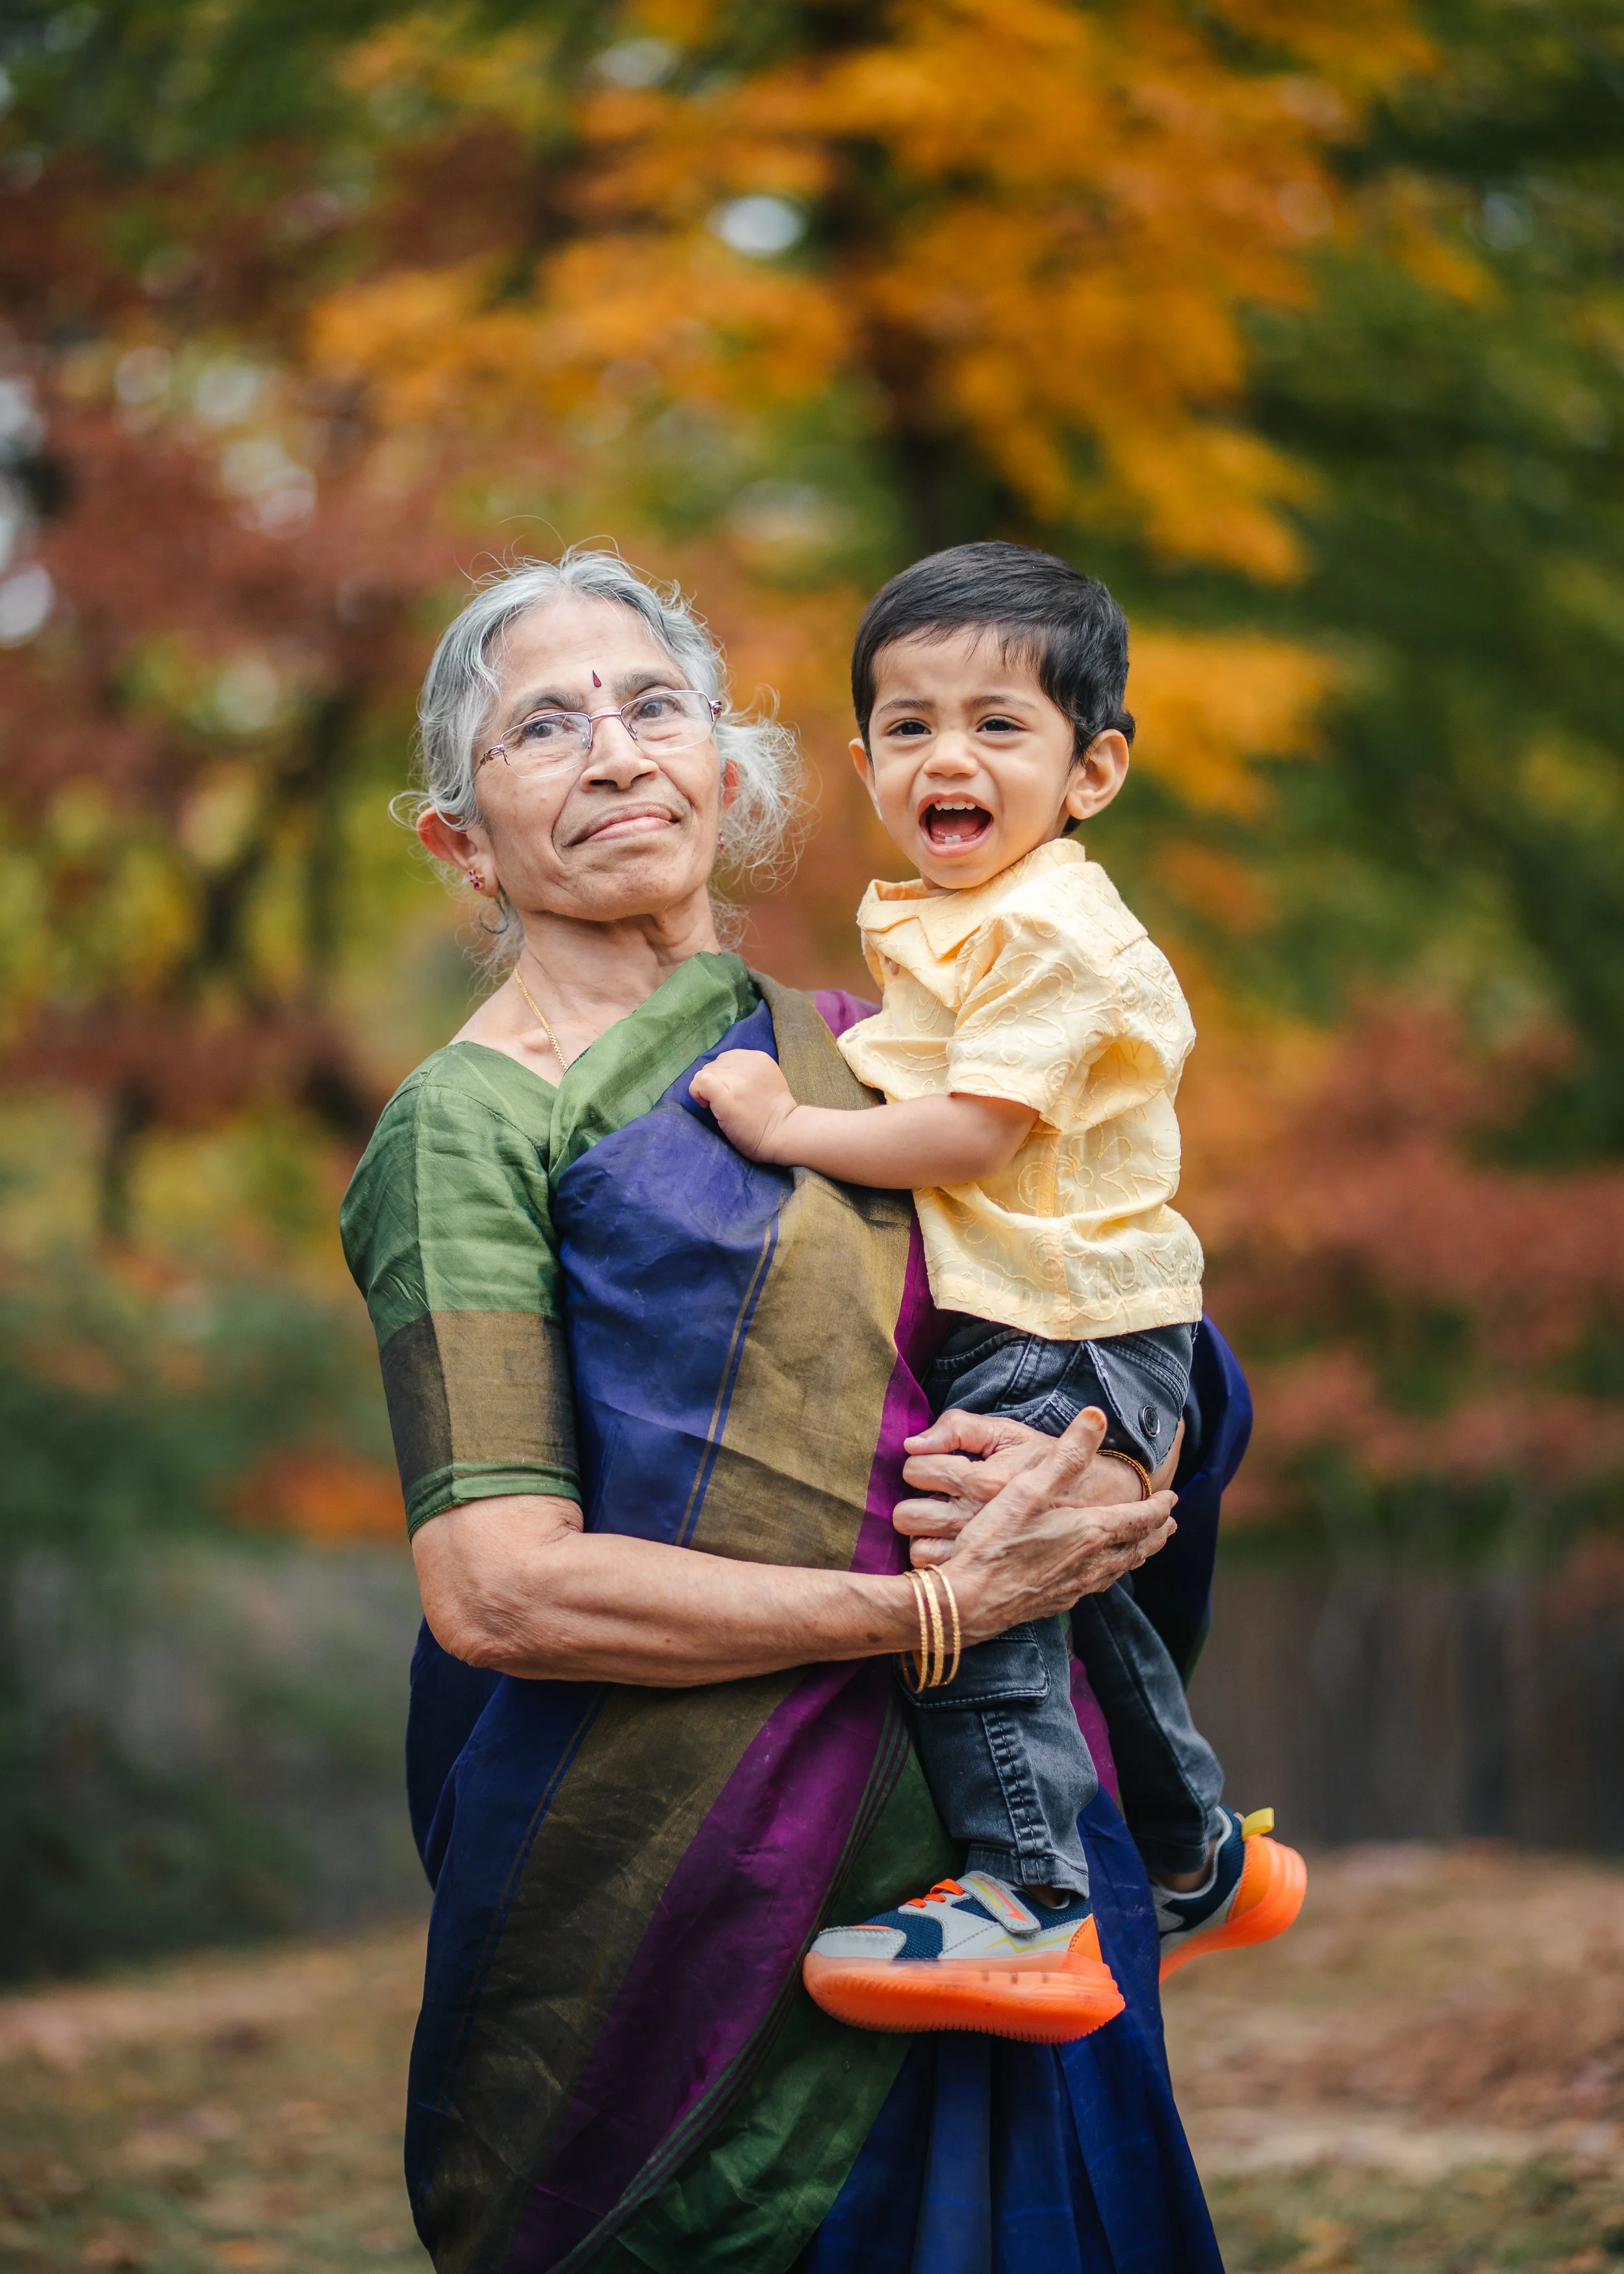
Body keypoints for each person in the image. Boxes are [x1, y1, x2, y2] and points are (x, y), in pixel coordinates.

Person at [340, 545, 1241, 2273]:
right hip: (677, 1919)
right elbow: (501, 1587)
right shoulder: (467, 1128)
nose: (613, 754)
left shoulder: (872, 1058)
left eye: (653, 705)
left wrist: (1117, 1463)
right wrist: (925, 1608)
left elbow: (1132, 1306)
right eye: (545, 726)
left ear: (730, 771)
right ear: (461, 834)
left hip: (995, 1883)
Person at [691, 543, 1304, 2041]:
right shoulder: (962, 914)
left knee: (981, 1592)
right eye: (907, 726)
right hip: (1054, 1304)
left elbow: (972, 1131)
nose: (944, 756)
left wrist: (787, 1129)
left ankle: (1026, 1903)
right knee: (1082, 1605)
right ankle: (1201, 1858)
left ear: (1091, 770)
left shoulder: (1042, 928)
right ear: (863, 758)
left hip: (1064, 1314)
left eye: (996, 725)